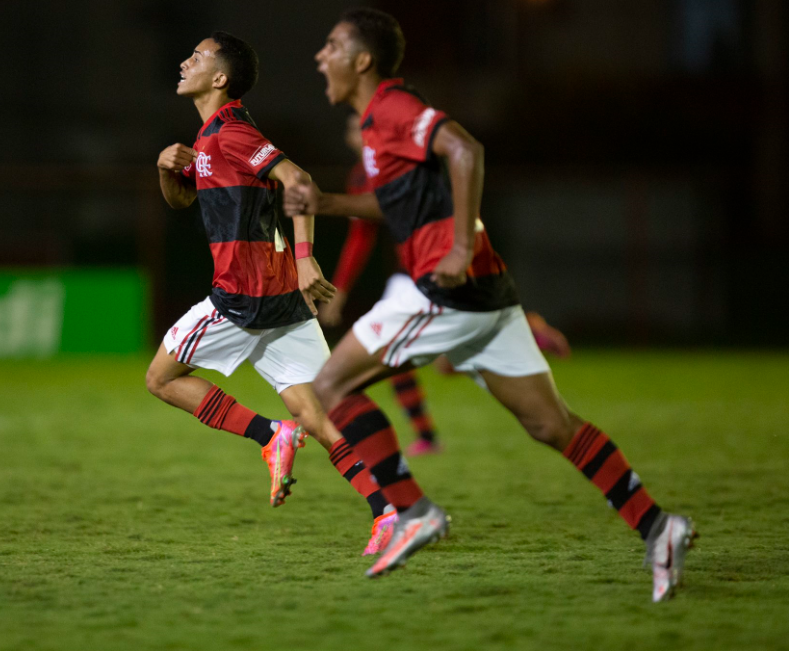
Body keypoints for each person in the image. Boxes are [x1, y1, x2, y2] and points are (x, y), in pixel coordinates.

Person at [284, 9, 695, 601]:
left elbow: (465, 148)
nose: (321, 56)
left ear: (363, 60)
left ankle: (412, 510)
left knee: (328, 391)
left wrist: (458, 244)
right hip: (484, 294)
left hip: (443, 291)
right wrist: (326, 202)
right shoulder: (377, 125)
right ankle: (658, 527)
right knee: (550, 424)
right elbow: (395, 206)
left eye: (331, 45)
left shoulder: (394, 107)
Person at [146, 31, 397, 555]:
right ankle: (388, 510)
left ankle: (269, 435)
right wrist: (169, 169)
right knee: (318, 415)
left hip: (243, 296)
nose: (184, 60)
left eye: (197, 56)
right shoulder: (211, 141)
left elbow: (298, 179)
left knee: (162, 379)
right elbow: (180, 200)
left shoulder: (233, 133)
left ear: (219, 78)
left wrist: (306, 259)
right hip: (280, 300)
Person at [319, 113, 572, 456]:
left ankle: (423, 445)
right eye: (351, 129)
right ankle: (527, 329)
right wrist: (341, 290)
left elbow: (458, 174)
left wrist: (460, 250)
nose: (355, 135)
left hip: (429, 274)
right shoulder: (363, 175)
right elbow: (360, 239)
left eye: (360, 128)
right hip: (419, 273)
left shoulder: (396, 165)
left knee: (382, 356)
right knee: (442, 363)